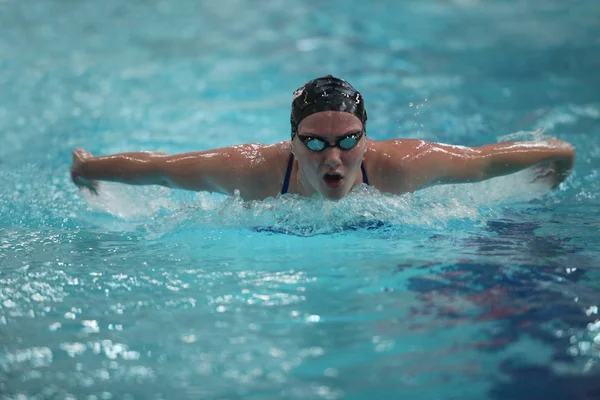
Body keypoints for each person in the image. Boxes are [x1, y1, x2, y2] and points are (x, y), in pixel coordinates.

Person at [71, 75, 575, 201]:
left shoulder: (403, 166)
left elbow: (486, 162)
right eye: (314, 142)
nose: (333, 157)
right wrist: (87, 169)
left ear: (366, 136)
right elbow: (161, 168)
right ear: (291, 142)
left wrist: (560, 161)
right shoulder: (252, 171)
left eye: (348, 140)